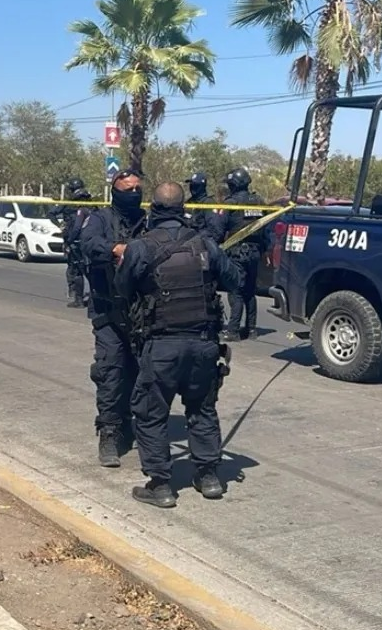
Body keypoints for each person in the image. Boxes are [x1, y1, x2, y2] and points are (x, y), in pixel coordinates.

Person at [116, 181, 239, 508]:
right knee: (201, 408)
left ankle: (160, 485)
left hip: (162, 346)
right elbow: (235, 280)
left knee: (151, 413)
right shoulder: (205, 245)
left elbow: (122, 288)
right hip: (203, 345)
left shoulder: (140, 247)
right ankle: (209, 476)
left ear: (153, 209)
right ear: (184, 209)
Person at [79, 168, 147, 467]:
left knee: (142, 374)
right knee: (111, 372)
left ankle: (133, 423)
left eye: (137, 189)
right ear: (114, 190)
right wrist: (114, 248)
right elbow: (88, 244)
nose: (133, 193)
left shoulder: (149, 221)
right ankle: (109, 431)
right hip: (109, 311)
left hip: (144, 313)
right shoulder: (100, 219)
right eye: (127, 188)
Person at [220, 168, 268, 341]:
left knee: (236, 291)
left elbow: (220, 229)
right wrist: (265, 249)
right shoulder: (258, 201)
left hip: (237, 252)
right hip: (255, 252)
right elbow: (266, 228)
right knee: (250, 291)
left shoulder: (230, 203)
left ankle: (232, 331)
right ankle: (252, 329)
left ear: (233, 185)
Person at [49, 177, 91, 308]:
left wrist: (68, 237)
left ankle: (78, 298)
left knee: (76, 269)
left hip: (75, 240)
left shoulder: (74, 204)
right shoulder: (89, 202)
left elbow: (77, 225)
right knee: (87, 270)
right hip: (87, 239)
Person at [185, 172, 224, 242]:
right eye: (191, 184)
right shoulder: (188, 203)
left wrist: (198, 238)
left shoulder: (209, 204)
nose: (192, 187)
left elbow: (216, 231)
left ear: (202, 186)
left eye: (195, 185)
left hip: (202, 244)